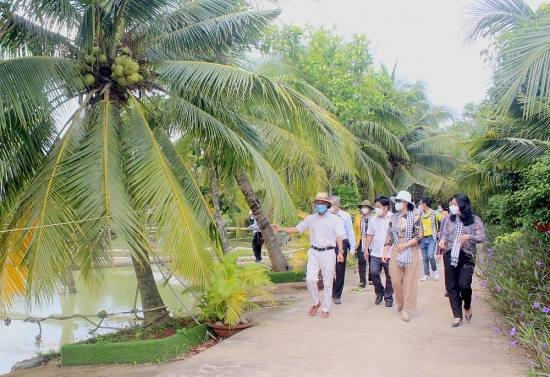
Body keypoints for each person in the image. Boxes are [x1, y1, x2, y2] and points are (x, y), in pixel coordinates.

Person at [271, 193, 345, 318]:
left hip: (328, 252)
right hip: (314, 252)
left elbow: (339, 236)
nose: (320, 205)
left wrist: (340, 252)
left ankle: (326, 309)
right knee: (310, 279)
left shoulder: (334, 220)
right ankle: (316, 302)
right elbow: (296, 229)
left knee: (327, 283)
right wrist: (280, 229)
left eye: (322, 203)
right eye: (318, 203)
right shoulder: (311, 219)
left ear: (327, 204)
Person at [437, 193, 486, 327]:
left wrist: (468, 237)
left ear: (463, 205)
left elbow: (481, 237)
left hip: (466, 255)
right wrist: (442, 242)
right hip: (450, 254)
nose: (452, 206)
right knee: (451, 285)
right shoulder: (448, 220)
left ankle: (467, 305)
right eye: (451, 204)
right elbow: (444, 235)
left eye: (455, 204)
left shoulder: (475, 220)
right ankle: (457, 315)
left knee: (464, 285)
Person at [382, 190, 423, 322]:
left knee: (409, 281)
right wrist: (385, 251)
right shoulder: (394, 217)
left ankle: (406, 308)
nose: (397, 204)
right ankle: (400, 301)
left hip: (410, 248)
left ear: (405, 203)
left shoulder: (415, 216)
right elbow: (389, 234)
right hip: (396, 248)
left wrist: (405, 245)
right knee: (395, 279)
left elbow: (419, 236)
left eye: (399, 201)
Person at [364, 196, 394, 306]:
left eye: (378, 207)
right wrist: (366, 248)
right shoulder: (373, 220)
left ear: (386, 207)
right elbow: (370, 234)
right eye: (375, 206)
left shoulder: (393, 218)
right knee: (373, 272)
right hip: (376, 252)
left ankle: (388, 297)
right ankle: (380, 292)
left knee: (390, 276)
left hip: (390, 253)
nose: (376, 209)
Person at [328, 196, 356, 305]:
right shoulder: (327, 216)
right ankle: (332, 290)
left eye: (330, 205)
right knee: (329, 268)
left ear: (337, 205)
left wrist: (352, 248)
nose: (328, 207)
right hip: (330, 243)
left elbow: (350, 232)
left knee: (340, 269)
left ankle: (337, 294)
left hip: (342, 243)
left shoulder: (345, 216)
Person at [419, 197, 442, 281]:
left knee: (430, 256)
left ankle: (435, 271)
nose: (420, 205)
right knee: (425, 258)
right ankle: (426, 274)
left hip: (431, 238)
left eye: (421, 204)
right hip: (423, 239)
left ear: (424, 204)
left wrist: (440, 231)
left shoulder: (434, 213)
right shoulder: (421, 215)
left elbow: (444, 221)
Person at [353, 199, 374, 288]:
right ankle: (362, 280)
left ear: (369, 208)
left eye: (365, 207)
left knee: (372, 260)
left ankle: (371, 278)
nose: (364, 209)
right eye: (363, 207)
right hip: (361, 240)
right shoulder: (358, 217)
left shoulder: (374, 217)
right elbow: (355, 230)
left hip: (372, 241)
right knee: (362, 261)